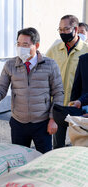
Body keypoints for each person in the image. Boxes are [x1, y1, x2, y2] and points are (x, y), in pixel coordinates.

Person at [0, 27, 64, 154]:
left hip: (42, 123)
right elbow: (0, 88)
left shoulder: (50, 65)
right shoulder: (10, 65)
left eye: (25, 44)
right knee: (19, 159)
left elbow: (58, 93)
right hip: (18, 123)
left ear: (36, 45)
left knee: (43, 159)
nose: (21, 48)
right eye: (19, 44)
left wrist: (54, 119)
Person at [46, 15, 88, 149]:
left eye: (66, 29)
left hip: (78, 107)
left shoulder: (86, 51)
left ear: (75, 29)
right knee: (58, 146)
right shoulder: (55, 50)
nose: (62, 32)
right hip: (58, 107)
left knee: (80, 146)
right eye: (60, 29)